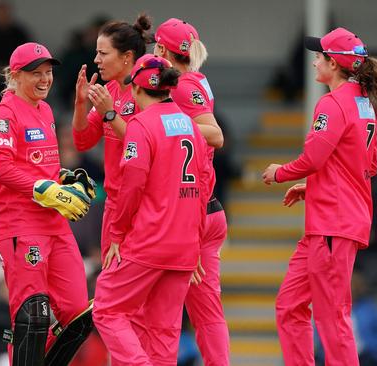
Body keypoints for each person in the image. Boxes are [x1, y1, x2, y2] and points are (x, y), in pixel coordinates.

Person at [262, 27, 377, 366]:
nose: (314, 62)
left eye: (319, 56)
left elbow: (313, 159)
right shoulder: (364, 103)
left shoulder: (333, 103)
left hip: (333, 224)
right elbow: (367, 163)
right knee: (289, 305)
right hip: (331, 221)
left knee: (332, 317)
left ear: (334, 63)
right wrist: (314, 186)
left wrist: (279, 172)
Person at [93, 54, 211, 365]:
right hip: (184, 245)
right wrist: (196, 242)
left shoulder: (140, 126)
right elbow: (204, 184)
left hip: (149, 240)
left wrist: (117, 232)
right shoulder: (190, 125)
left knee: (106, 308)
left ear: (136, 89)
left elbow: (132, 185)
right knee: (164, 331)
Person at [0, 42, 95, 366]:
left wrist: (65, 180)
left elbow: (39, 168)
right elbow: (1, 167)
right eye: (37, 74)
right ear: (16, 75)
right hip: (19, 226)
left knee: (79, 315)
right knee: (32, 315)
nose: (45, 79)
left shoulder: (45, 110)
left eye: (48, 73)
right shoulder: (3, 114)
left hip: (54, 225)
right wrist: (41, 187)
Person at [153, 18, 229, 365]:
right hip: (207, 210)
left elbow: (215, 135)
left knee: (163, 311)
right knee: (207, 310)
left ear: (162, 50)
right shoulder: (197, 80)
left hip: (191, 214)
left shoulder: (182, 85)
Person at [71, 14, 153, 261]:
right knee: (112, 283)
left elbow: (146, 145)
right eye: (97, 53)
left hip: (141, 206)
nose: (96, 60)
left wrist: (109, 113)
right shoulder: (111, 90)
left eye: (103, 54)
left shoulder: (147, 92)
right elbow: (83, 141)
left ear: (127, 57)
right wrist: (80, 103)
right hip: (114, 206)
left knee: (122, 290)